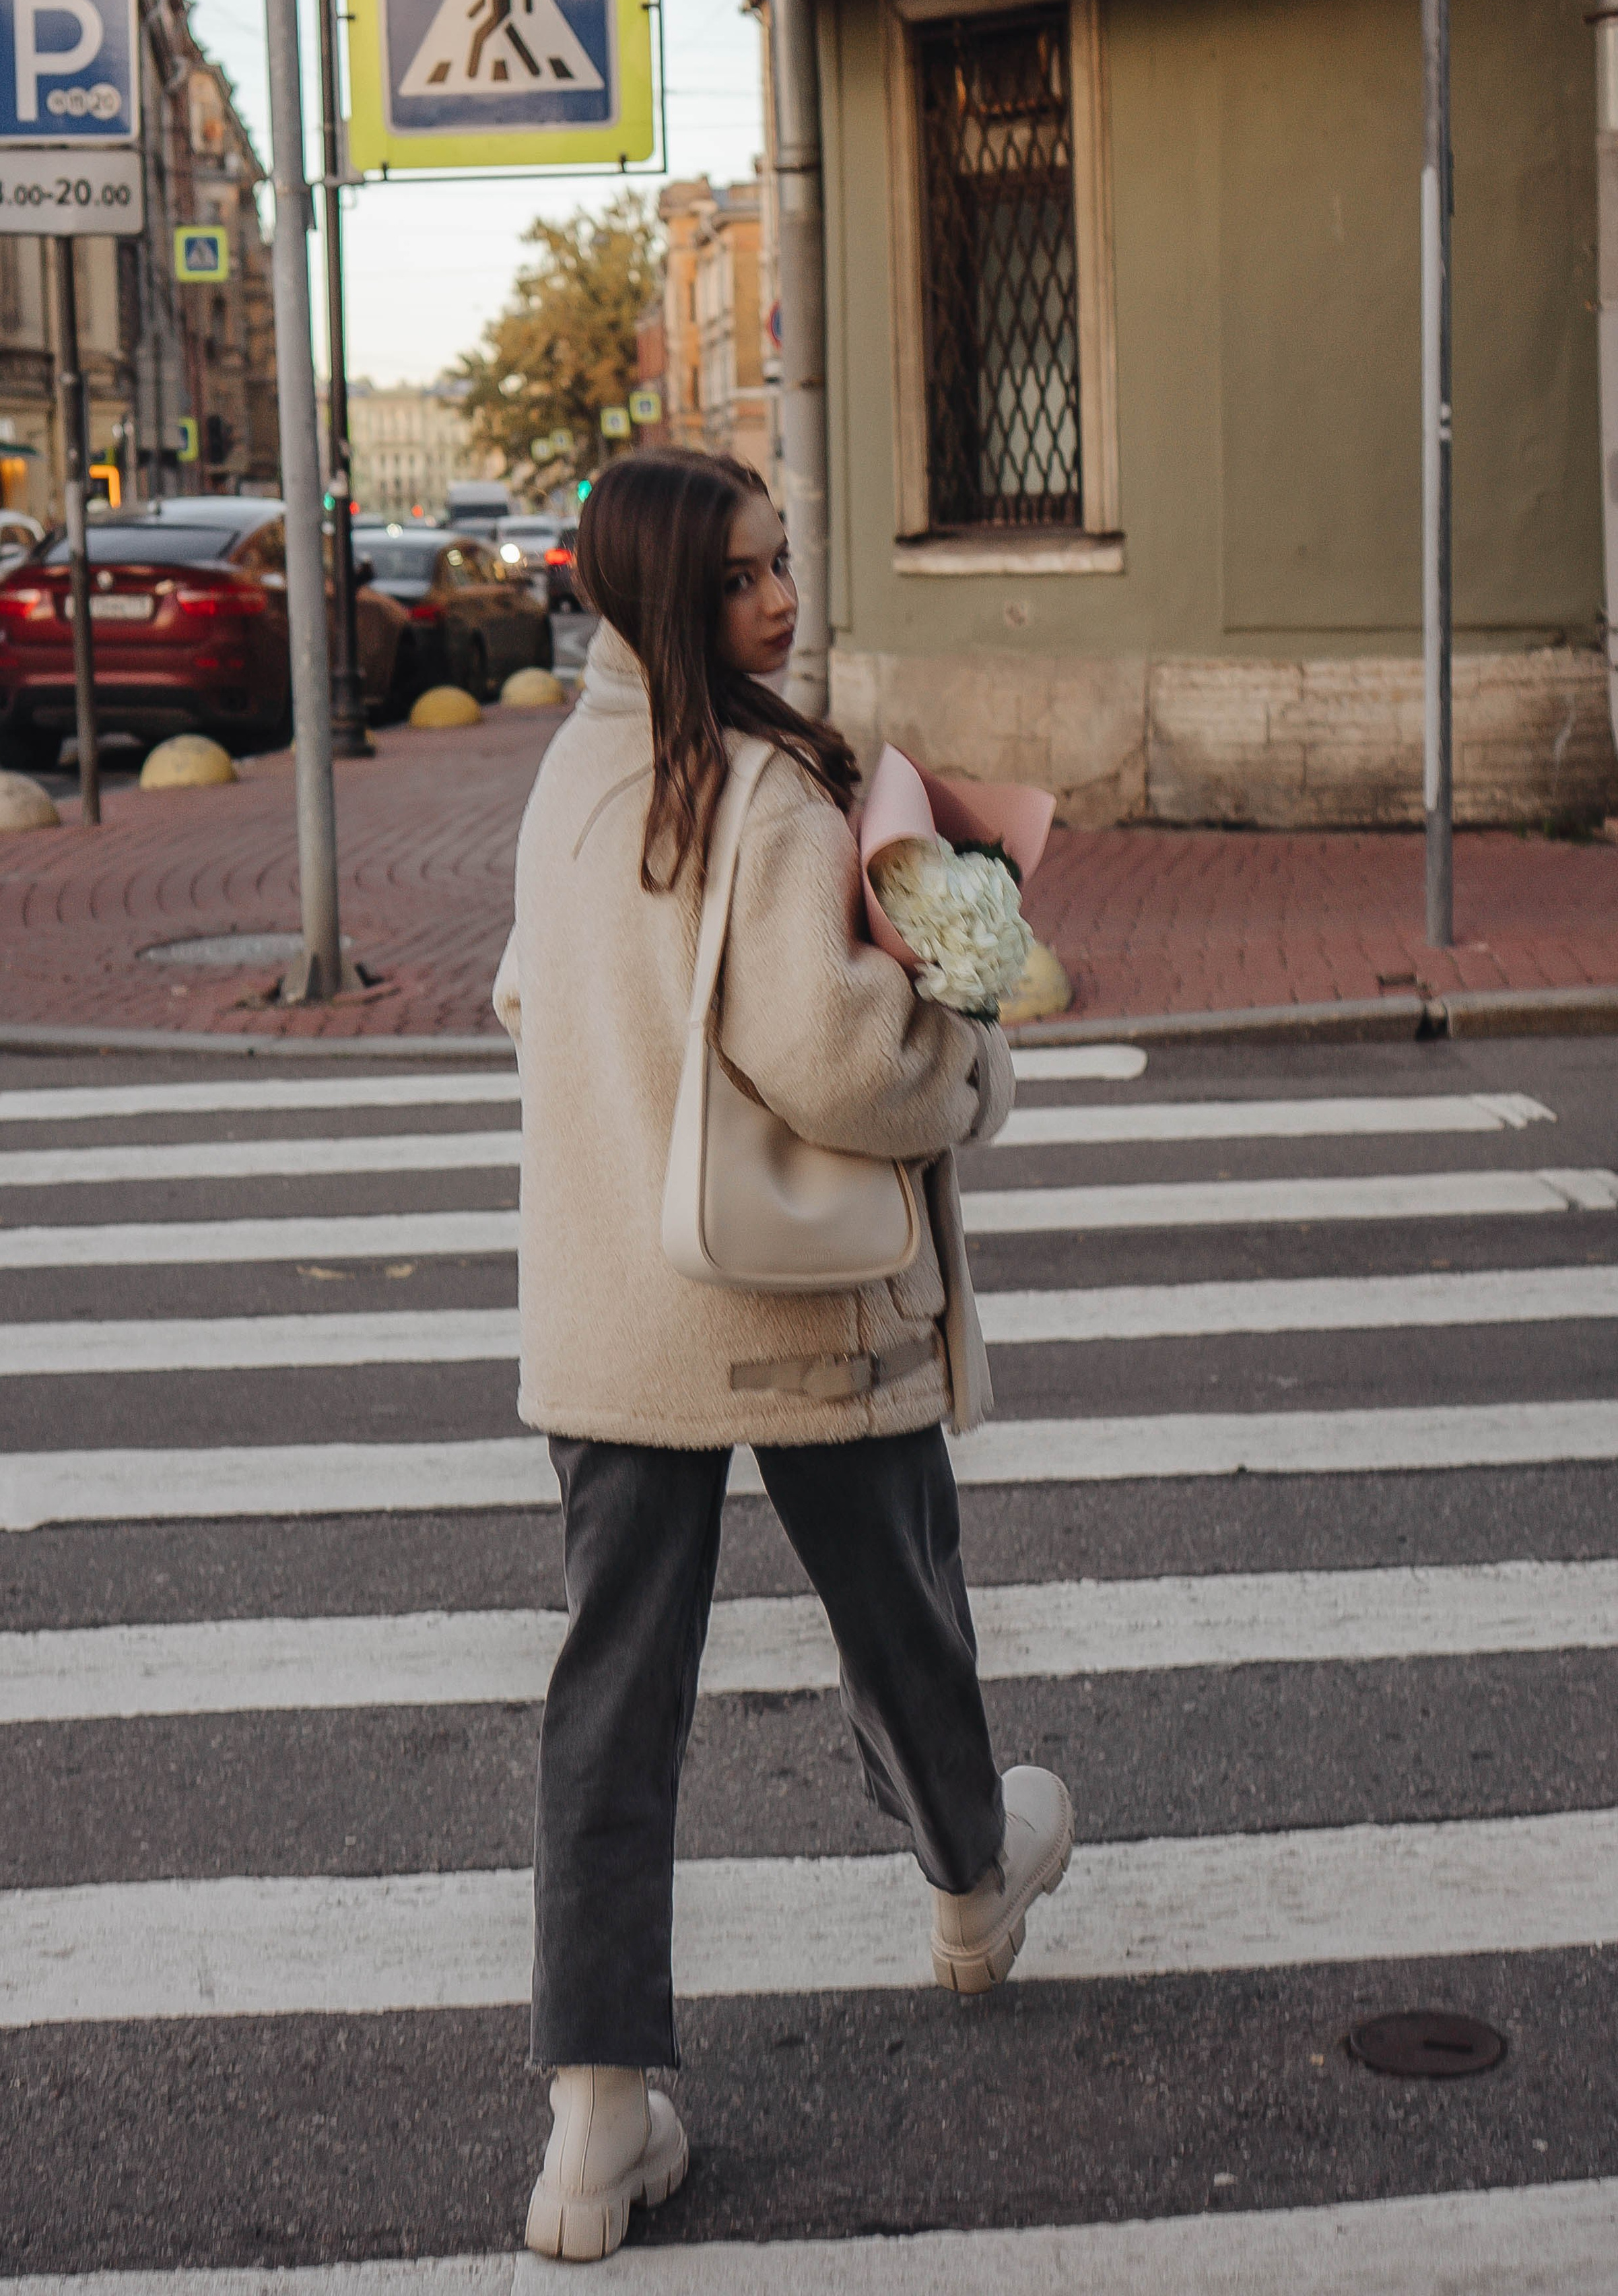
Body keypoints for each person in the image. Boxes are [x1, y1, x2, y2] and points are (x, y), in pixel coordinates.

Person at [492, 447, 1073, 2265]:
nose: (782, 599)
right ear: (667, 596)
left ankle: (594, 2126)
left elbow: (526, 995)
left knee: (614, 1701)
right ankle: (974, 1895)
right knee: (900, 1605)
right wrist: (970, 1059)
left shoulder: (572, 779)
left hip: (613, 1306)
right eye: (745, 577)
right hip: (795, 1294)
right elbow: (841, 1060)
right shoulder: (774, 787)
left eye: (785, 561)